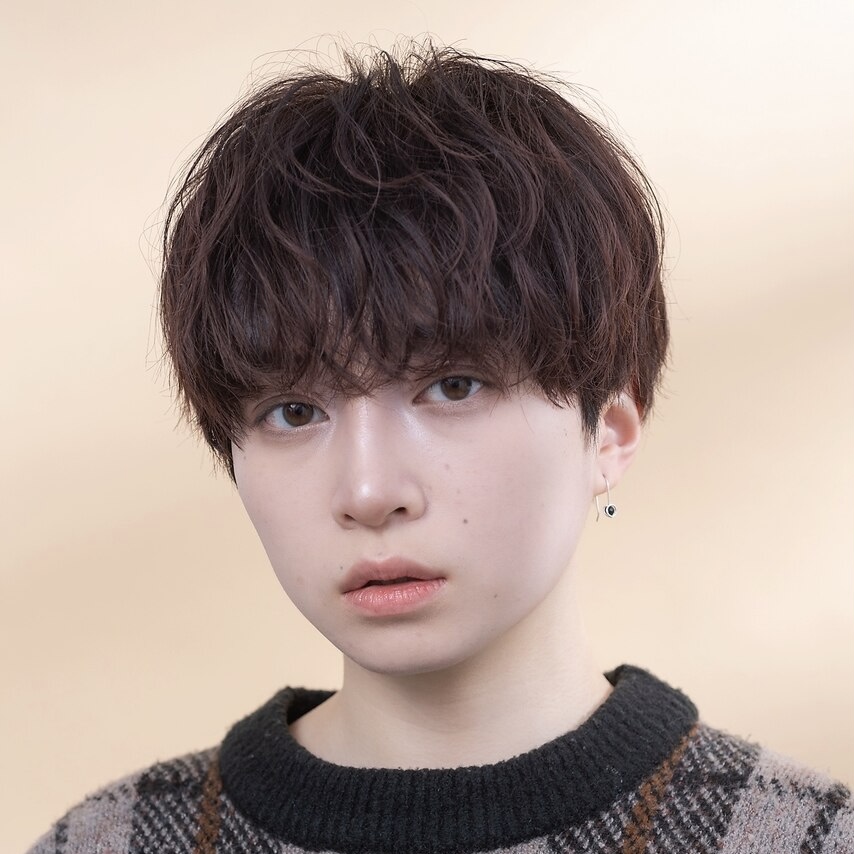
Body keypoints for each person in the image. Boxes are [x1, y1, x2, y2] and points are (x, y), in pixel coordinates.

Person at [28, 43, 852, 854]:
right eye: (292, 411)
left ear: (608, 430)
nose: (368, 491)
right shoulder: (110, 842)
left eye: (453, 387)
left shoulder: (798, 835)